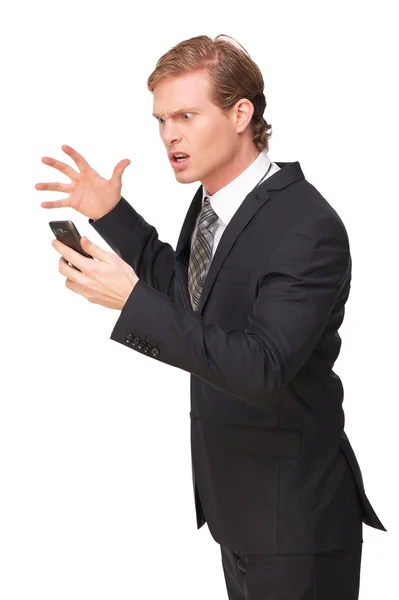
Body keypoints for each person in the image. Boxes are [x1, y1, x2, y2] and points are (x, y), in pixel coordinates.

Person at [36, 34, 386, 600]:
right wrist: (109, 214)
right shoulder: (210, 206)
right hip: (239, 511)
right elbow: (189, 297)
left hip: (297, 524)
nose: (169, 134)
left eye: (186, 115)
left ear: (241, 113)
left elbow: (262, 366)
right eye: (160, 120)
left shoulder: (307, 226)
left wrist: (130, 303)